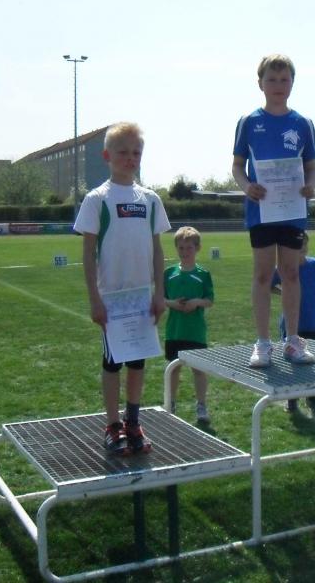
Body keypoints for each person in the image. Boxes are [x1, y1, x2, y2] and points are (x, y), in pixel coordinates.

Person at [73, 122, 170, 456]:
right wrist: (94, 299)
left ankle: (133, 421)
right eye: (123, 152)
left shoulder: (151, 200)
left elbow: (158, 250)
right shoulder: (96, 199)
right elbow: (88, 254)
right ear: (107, 156)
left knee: (138, 362)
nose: (130, 158)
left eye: (136, 153)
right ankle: (113, 425)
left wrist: (159, 293)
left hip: (142, 297)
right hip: (112, 300)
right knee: (113, 361)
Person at [232, 54, 315, 368]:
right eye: (272, 79)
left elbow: (311, 168)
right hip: (261, 210)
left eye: (284, 80)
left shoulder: (303, 124)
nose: (278, 85)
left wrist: (310, 186)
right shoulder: (249, 122)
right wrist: (247, 187)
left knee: (292, 273)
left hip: (292, 210)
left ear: (292, 83)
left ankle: (293, 340)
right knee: (263, 275)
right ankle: (262, 342)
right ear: (260, 83)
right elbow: (237, 167)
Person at [271, 233, 315, 413]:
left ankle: (312, 397)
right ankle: (291, 399)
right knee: (292, 362)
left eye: (304, 245)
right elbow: (268, 285)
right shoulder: (282, 268)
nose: (302, 249)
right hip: (293, 324)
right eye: (298, 246)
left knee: (311, 362)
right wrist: (284, 293)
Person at [164, 226, 214, 424]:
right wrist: (173, 304)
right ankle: (170, 403)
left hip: (195, 332)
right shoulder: (169, 273)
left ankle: (201, 405)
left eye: (189, 248)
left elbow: (209, 300)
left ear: (197, 248)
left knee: (198, 370)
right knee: (173, 369)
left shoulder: (203, 274)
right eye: (181, 248)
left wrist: (196, 302)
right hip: (174, 331)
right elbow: (160, 299)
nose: (185, 252)